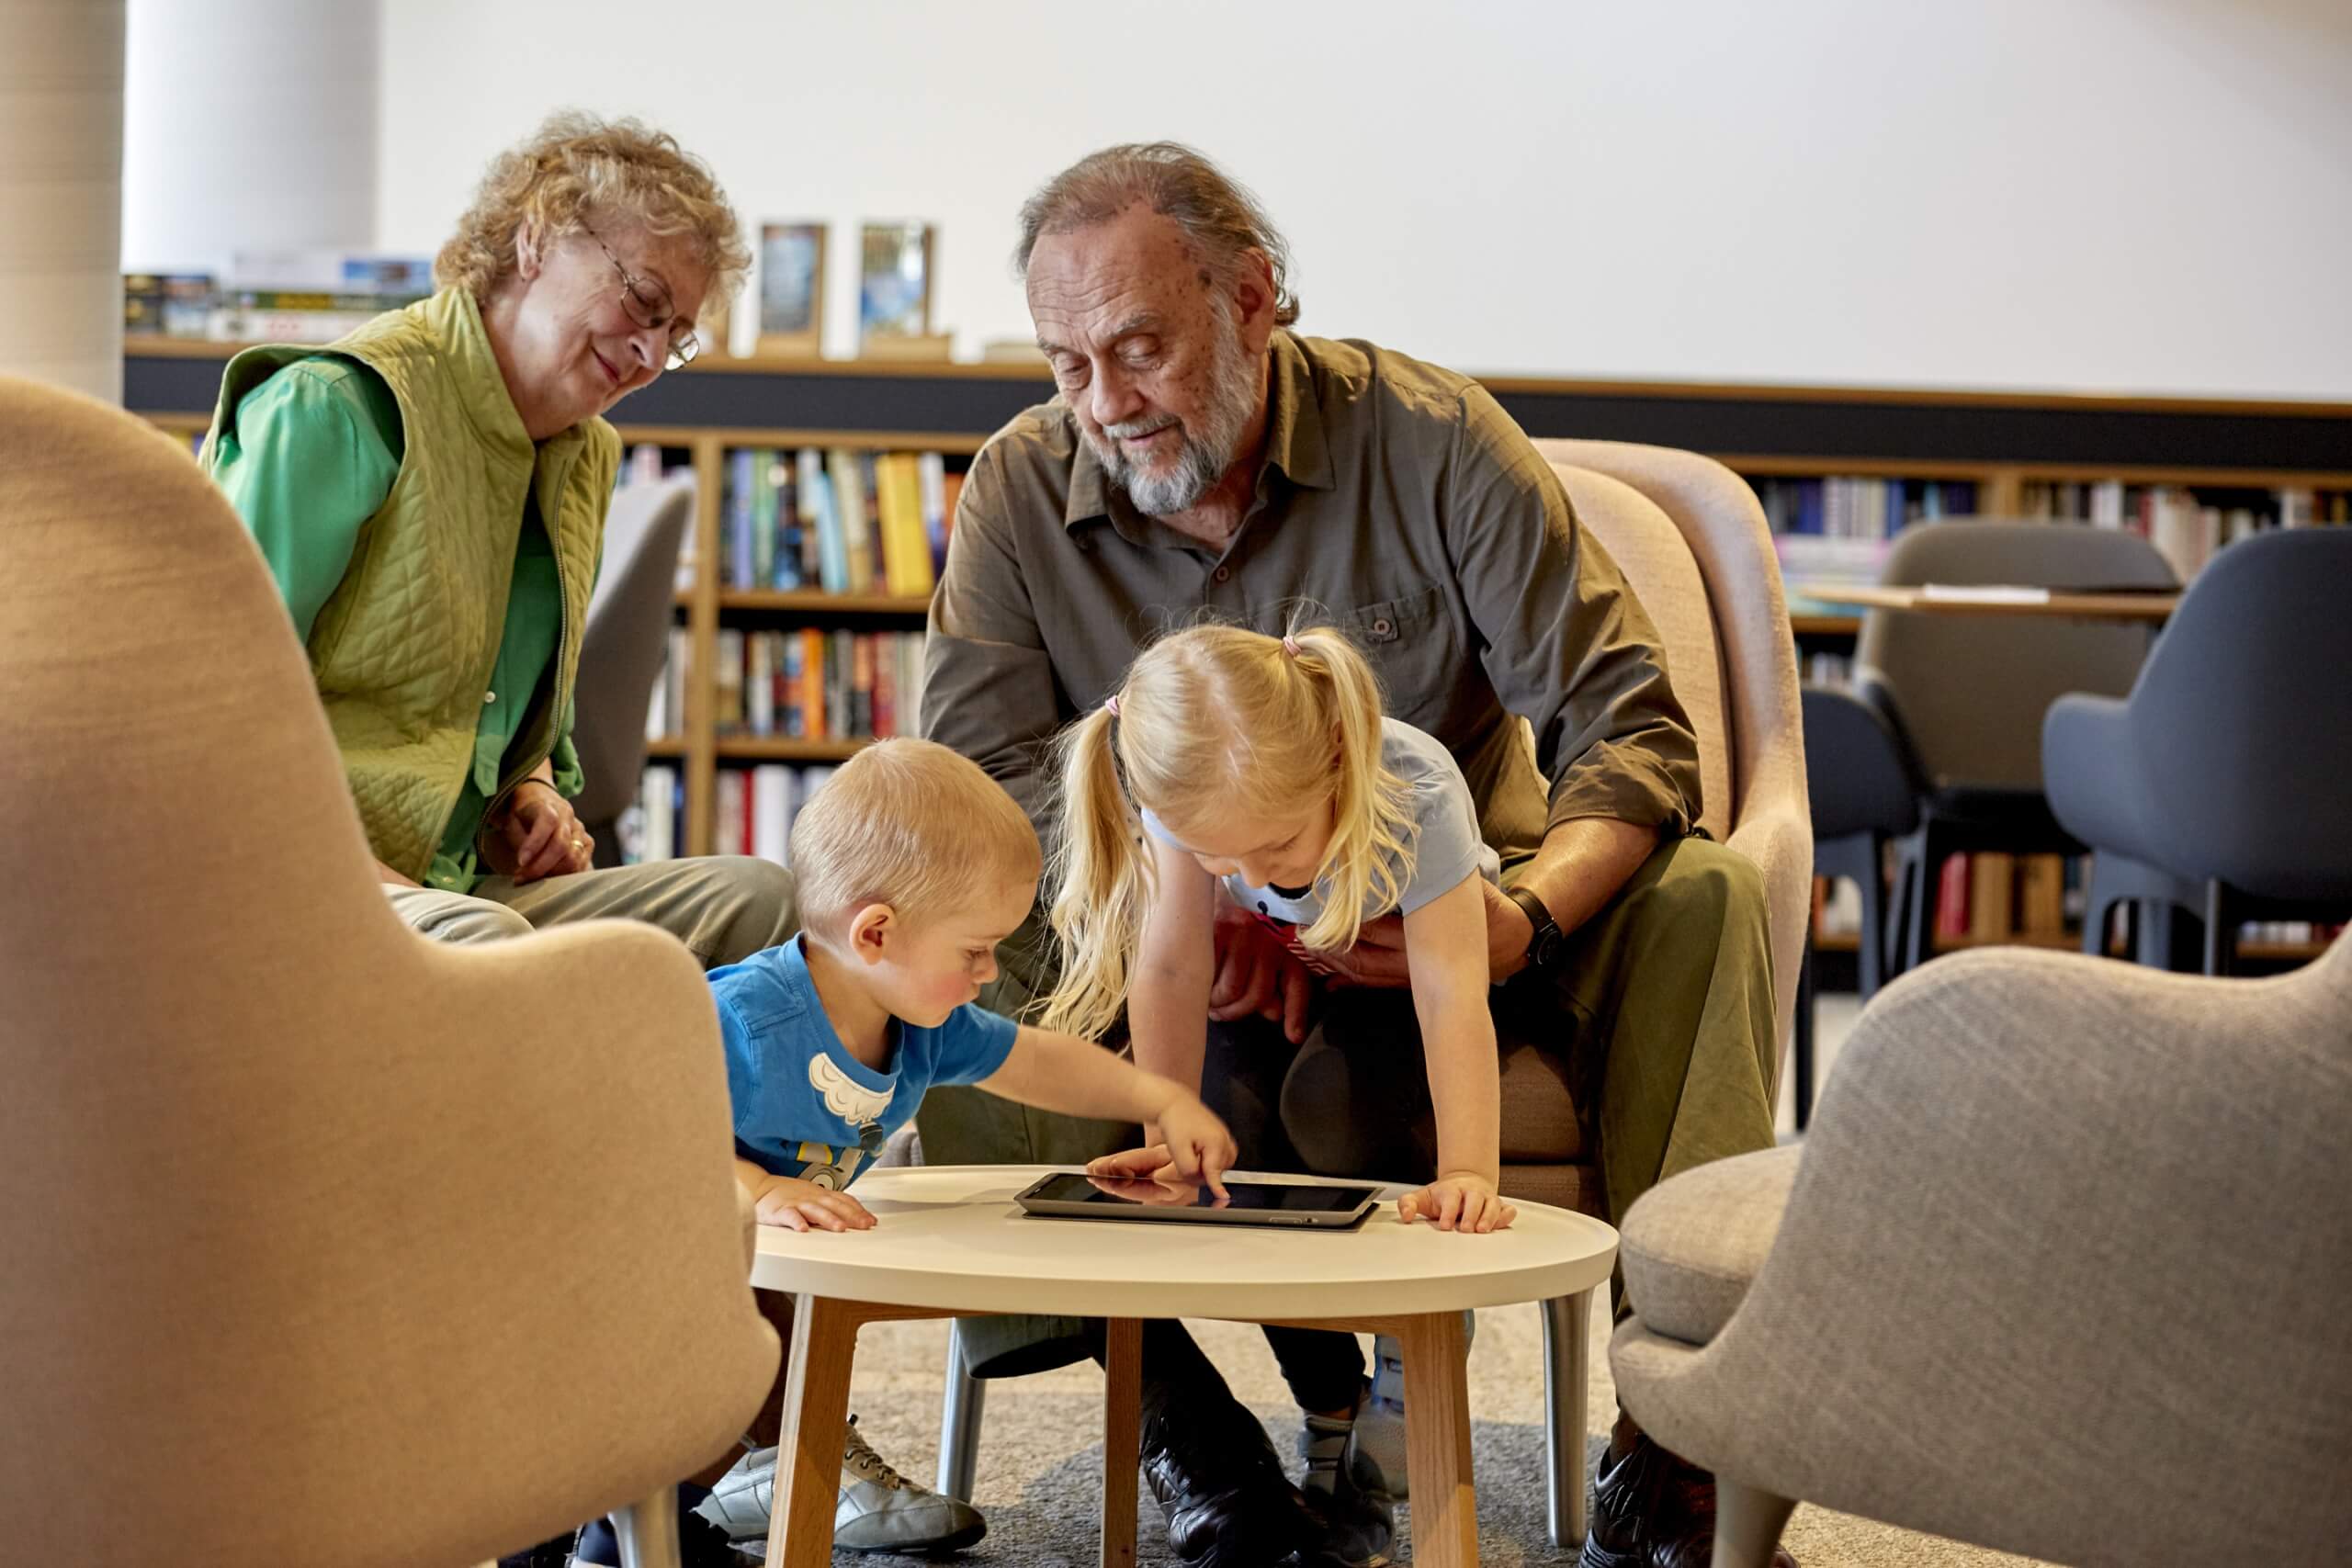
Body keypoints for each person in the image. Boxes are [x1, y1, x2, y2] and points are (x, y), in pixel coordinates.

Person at [920, 141, 1791, 1568]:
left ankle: (1678, 1443)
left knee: (1703, 891)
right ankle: (1184, 1426)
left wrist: (1528, 917)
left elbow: (1630, 724)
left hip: (1444, 913)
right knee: (940, 927)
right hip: (1174, 922)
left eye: (1139, 346)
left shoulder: (1438, 441)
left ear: (1255, 296)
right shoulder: (1023, 487)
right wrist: (1205, 913)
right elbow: (983, 784)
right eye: (1065, 362)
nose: (1103, 403)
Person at [199, 111, 958, 1564]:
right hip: (305, 897)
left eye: (675, 332)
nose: (647, 346)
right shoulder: (342, 407)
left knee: (758, 906)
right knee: (504, 971)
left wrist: (538, 787)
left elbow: (508, 712)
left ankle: (732, 1405)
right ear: (537, 239)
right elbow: (203, 703)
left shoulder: (580, 450)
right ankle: (621, 1430)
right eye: (641, 303)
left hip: (456, 882)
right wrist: (342, 865)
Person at [681, 737, 1238, 1557]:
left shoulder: (918, 1024)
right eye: (973, 951)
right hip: (655, 1250)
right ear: (876, 933)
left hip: (760, 1265)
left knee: (785, 1307)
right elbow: (644, 1130)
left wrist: (1157, 1095)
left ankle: (780, 1470)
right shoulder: (746, 1020)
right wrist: (756, 1185)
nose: (987, 973)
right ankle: (697, 1487)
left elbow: (1035, 1060)